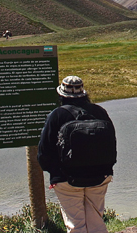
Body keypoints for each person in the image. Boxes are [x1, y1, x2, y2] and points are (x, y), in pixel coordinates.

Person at [38, 75, 116, 233]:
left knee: (76, 225)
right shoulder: (100, 112)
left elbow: (43, 153)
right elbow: (112, 147)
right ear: (84, 93)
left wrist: (55, 175)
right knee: (96, 223)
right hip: (100, 177)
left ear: (61, 95)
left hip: (67, 180)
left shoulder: (57, 115)